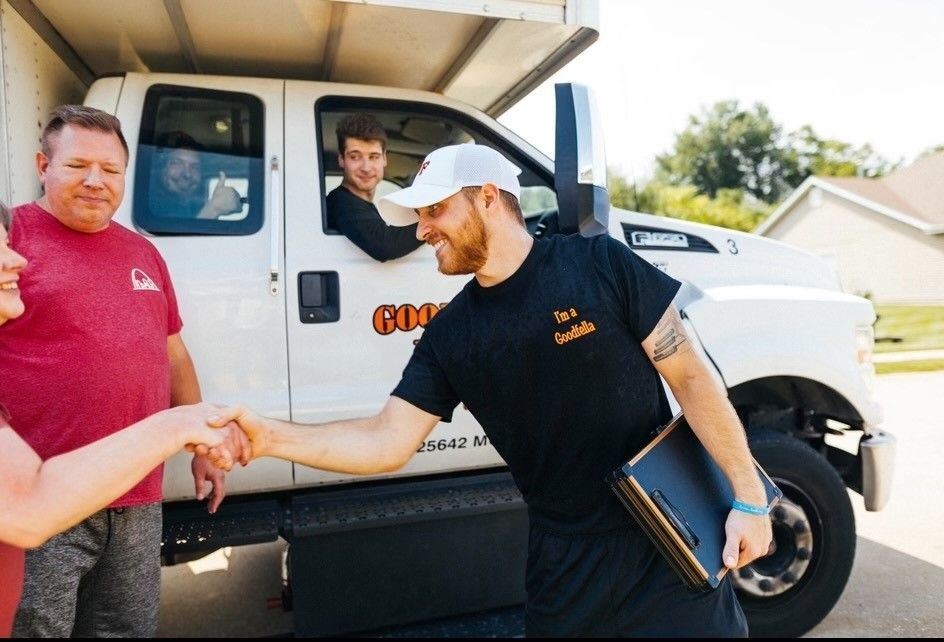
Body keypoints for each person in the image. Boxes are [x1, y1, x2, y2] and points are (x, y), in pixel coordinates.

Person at [206, 143, 773, 636]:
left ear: (487, 197)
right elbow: (386, 441)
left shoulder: (597, 263)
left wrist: (747, 498)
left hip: (666, 539)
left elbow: (692, 377)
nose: (421, 229)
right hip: (564, 566)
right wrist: (268, 437)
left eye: (434, 209)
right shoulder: (451, 335)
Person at [0, 106, 236, 638]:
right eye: (77, 165)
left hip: (137, 491)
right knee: (37, 629)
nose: (94, 181)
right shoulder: (10, 241)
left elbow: (173, 354)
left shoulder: (143, 253)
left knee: (126, 628)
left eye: (109, 170)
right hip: (46, 494)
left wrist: (206, 448)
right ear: (43, 164)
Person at [325, 113, 423, 261]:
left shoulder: (359, 204)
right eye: (355, 156)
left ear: (384, 159)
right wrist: (433, 216)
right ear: (341, 159)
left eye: (374, 157)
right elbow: (386, 245)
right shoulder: (340, 203)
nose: (366, 167)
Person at [150, 130, 243, 219]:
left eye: (195, 167)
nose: (187, 174)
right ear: (159, 168)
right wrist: (213, 210)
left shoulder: (195, 206)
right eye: (176, 162)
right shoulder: (147, 207)